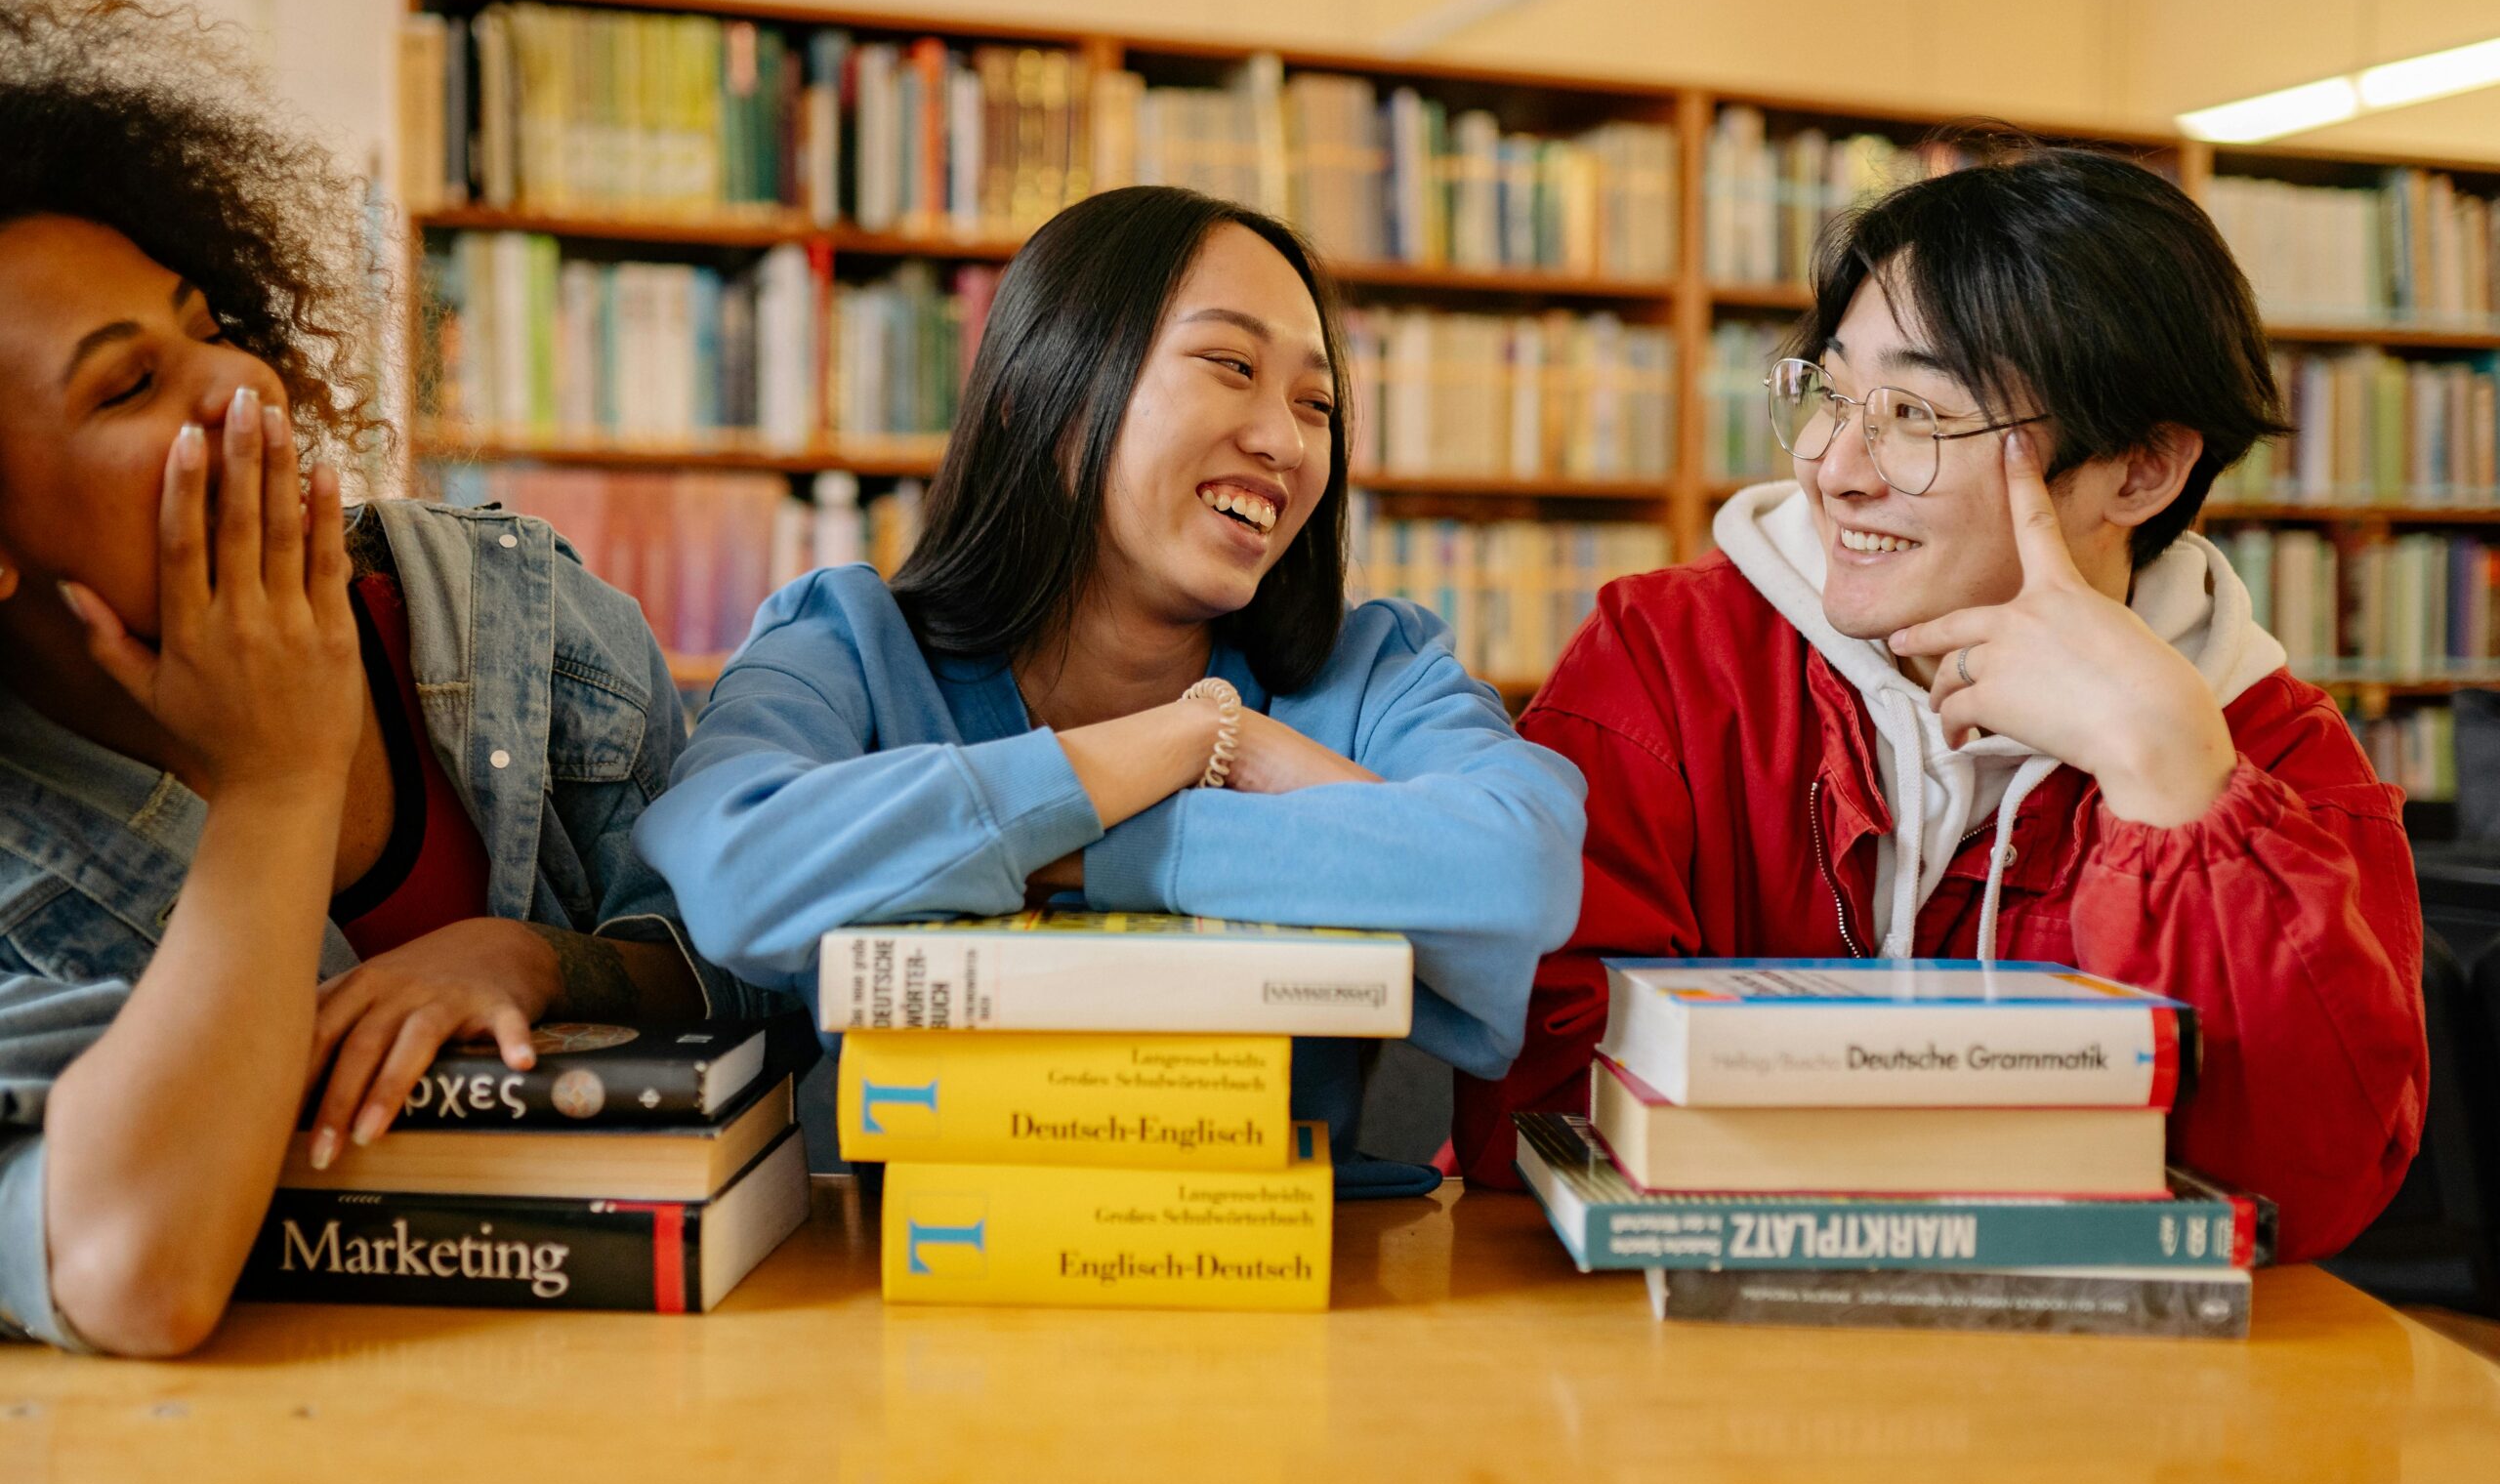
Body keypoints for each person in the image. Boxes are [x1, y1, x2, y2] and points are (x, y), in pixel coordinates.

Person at [1451, 142, 2426, 1264]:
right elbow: (1530, 1092)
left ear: (2140, 469)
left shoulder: (2274, 755)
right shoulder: (1670, 656)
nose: (1832, 464)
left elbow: (2299, 1193)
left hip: (2089, 1394)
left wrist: (2171, 783)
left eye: (1912, 412)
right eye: (1831, 391)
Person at [0, 0, 768, 1357]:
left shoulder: (534, 619)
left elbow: (767, 974)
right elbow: (128, 1270)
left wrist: (544, 956)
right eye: (125, 386)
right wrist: (281, 779)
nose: (245, 388)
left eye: (208, 324)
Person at [636, 184, 1587, 1172]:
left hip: (1278, 1277)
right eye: (1231, 365)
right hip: (913, 1282)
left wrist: (1095, 841)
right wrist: (1179, 743)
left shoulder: (1370, 670)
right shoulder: (847, 642)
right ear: (1040, 393)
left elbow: (1514, 866)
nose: (1287, 442)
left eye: (1316, 404)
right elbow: (738, 862)